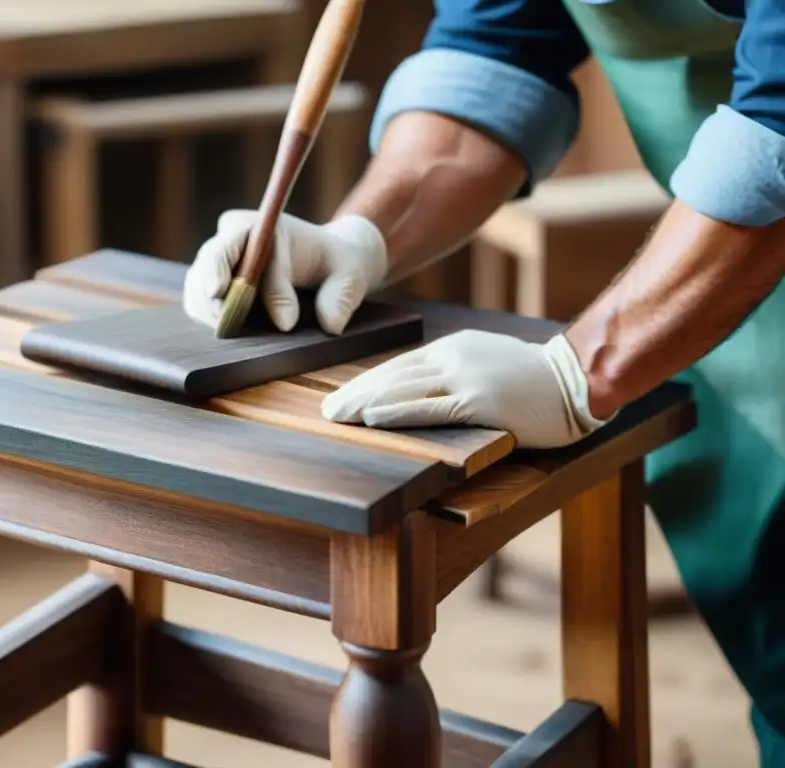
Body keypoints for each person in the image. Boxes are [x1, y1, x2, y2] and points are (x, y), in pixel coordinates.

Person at [182, 0, 785, 762]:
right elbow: (497, 50)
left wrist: (583, 370)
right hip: (728, 294)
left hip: (734, 251)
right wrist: (361, 235)